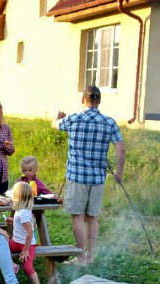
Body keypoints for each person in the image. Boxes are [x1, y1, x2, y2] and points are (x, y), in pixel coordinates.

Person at [51, 85, 125, 266]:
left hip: (76, 176)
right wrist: (119, 173)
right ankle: (90, 255)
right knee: (92, 217)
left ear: (83, 100)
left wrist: (57, 118)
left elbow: (54, 125)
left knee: (77, 215)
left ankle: (81, 258)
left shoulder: (73, 119)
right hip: (98, 178)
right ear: (99, 101)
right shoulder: (109, 122)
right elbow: (121, 149)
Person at [8, 182, 45, 284]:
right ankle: (12, 263)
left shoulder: (23, 213)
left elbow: (29, 233)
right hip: (16, 242)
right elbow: (22, 225)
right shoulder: (21, 211)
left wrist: (25, 250)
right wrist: (13, 220)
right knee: (2, 245)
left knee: (28, 267)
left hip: (27, 245)